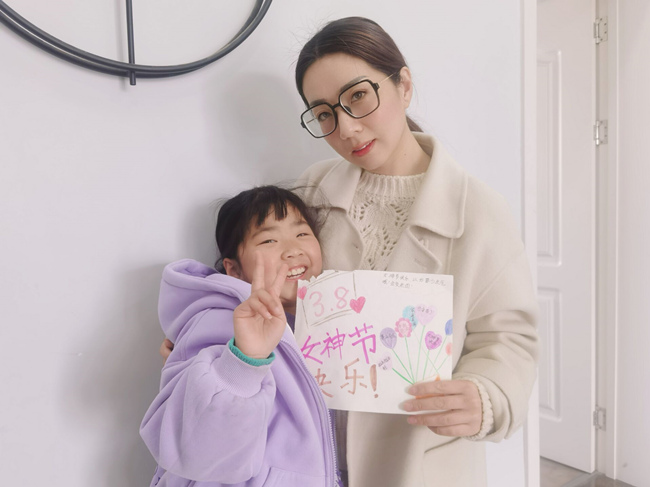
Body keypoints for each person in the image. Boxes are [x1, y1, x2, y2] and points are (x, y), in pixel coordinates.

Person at [160, 16, 538, 487]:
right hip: (311, 460)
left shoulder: (478, 211)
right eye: (324, 113)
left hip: (418, 462)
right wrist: (204, 342)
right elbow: (260, 284)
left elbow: (510, 338)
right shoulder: (313, 190)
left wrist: (486, 397)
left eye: (358, 96)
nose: (347, 128)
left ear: (403, 85)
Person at [140, 186, 341, 487]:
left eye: (302, 234)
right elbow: (199, 451)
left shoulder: (328, 326)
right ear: (233, 269)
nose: (292, 249)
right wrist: (245, 360)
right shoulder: (218, 323)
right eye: (269, 240)